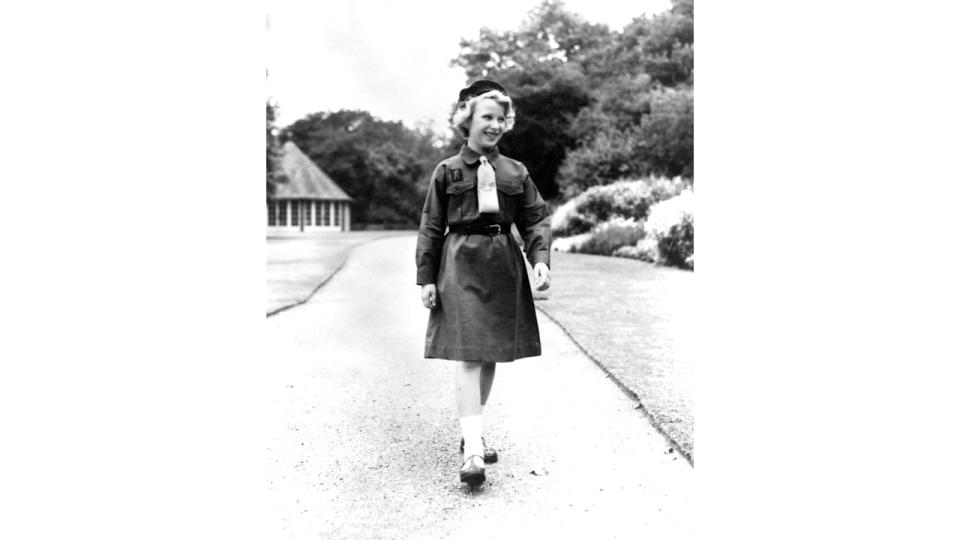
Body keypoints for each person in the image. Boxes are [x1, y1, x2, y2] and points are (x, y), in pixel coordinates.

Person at [415, 79, 551, 488]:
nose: (494, 125)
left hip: (502, 265)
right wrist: (426, 276)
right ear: (466, 121)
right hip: (459, 263)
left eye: (501, 118)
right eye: (486, 117)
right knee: (469, 355)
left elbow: (535, 217)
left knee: (489, 354)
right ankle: (473, 450)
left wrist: (539, 259)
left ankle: (471, 431)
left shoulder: (515, 171)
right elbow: (430, 225)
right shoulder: (447, 171)